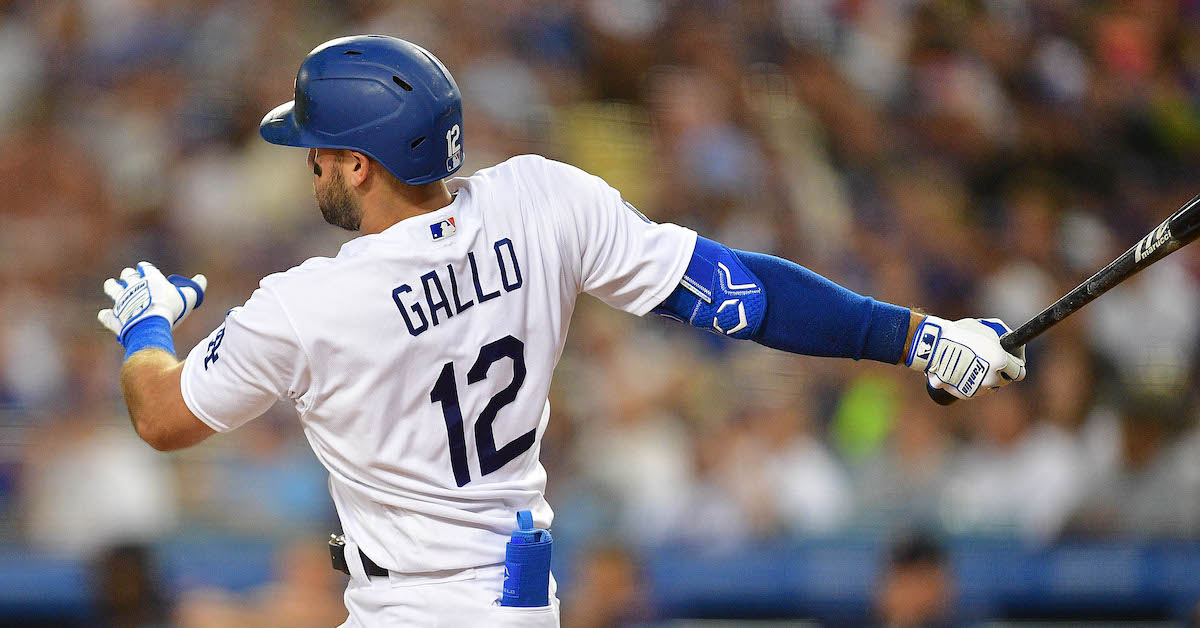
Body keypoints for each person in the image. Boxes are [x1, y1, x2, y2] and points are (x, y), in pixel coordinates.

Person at [96, 35, 1026, 627]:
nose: (312, 170)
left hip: (414, 607)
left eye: (320, 154)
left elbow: (163, 418)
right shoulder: (543, 199)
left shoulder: (309, 304)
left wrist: (145, 324)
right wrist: (917, 335)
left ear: (360, 161)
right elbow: (743, 296)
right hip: (518, 601)